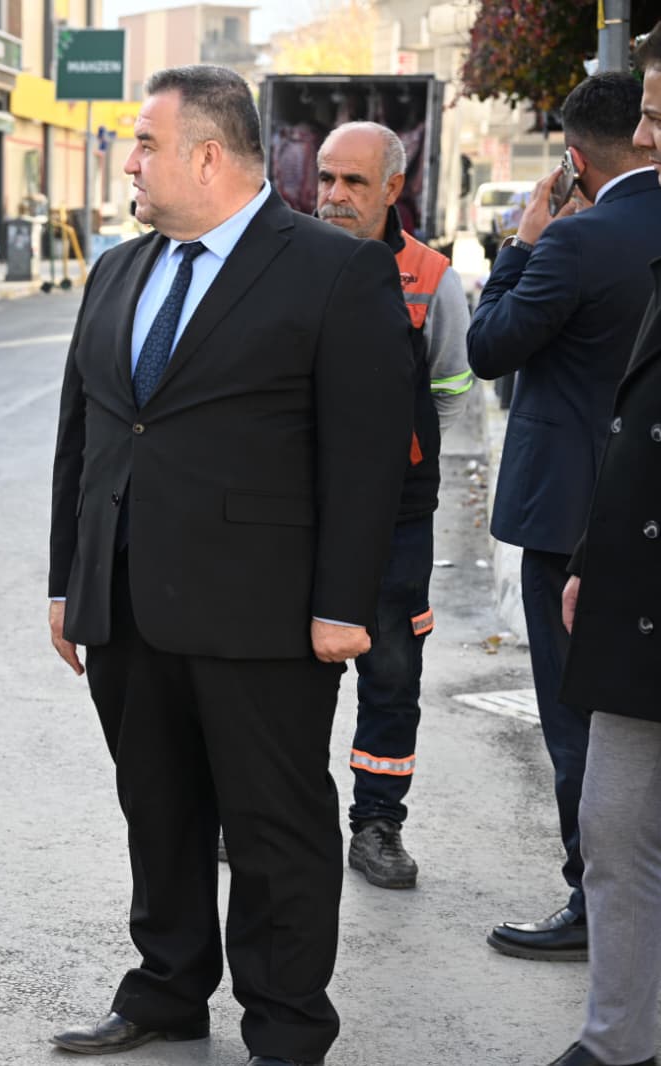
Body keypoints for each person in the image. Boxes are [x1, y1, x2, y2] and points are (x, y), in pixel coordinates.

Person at [46, 65, 411, 1066]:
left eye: (146, 144)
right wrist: (66, 581)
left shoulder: (333, 270)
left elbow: (368, 457)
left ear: (208, 156)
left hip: (265, 614)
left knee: (273, 826)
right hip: (126, 602)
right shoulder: (117, 269)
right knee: (156, 810)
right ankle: (167, 989)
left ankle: (286, 1026)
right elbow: (85, 437)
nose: (129, 162)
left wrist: (344, 604)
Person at [467, 70, 661, 964]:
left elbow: (487, 347)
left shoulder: (574, 242)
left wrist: (521, 243)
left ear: (573, 161)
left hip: (570, 521)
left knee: (580, 721)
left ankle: (592, 903)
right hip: (641, 509)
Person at [541, 35, 661, 1066]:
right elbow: (637, 427)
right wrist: (593, 556)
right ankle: (616, 1043)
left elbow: (491, 344)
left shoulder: (581, 238)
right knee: (613, 824)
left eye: (659, 118)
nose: (646, 140)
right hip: (630, 581)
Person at [315, 120, 474, 889]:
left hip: (394, 516)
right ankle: (269, 811)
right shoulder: (285, 264)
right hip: (298, 509)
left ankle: (376, 824)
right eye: (325, 177)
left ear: (392, 188)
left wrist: (395, 458)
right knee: (282, 671)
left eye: (352, 181)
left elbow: (449, 388)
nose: (333, 195)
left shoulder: (430, 276)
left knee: (389, 672)